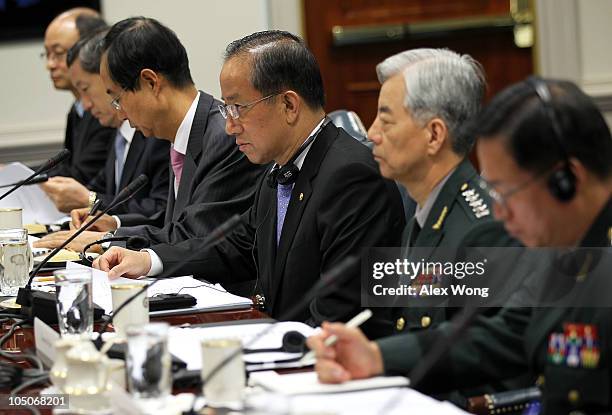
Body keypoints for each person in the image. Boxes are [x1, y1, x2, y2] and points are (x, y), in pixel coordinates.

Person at [307, 77, 612, 414]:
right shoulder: (564, 255)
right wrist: (376, 357)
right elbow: (499, 336)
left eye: (505, 192)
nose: (499, 211)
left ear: (568, 180)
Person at [94, 30, 406, 336]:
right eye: (225, 109)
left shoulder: (352, 178)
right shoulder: (281, 167)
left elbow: (343, 317)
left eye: (238, 108)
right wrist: (149, 260)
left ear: (288, 105)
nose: (230, 127)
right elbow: (238, 244)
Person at [36, 17, 265, 255]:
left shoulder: (224, 137)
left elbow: (195, 237)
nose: (121, 113)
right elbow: (174, 225)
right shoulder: (181, 133)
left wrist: (107, 240)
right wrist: (114, 225)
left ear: (150, 82)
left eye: (118, 98)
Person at [366, 49, 513, 334]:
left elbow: (478, 354)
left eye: (386, 121)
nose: (372, 133)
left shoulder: (479, 231)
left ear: (434, 135)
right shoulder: (423, 215)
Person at [37, 31, 170, 223]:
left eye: (85, 89)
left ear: (106, 79)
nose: (85, 104)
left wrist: (89, 200)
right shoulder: (118, 134)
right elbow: (101, 189)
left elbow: (161, 210)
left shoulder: (155, 132)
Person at [42, 8, 114, 185]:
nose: (50, 64)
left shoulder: (107, 110)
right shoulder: (78, 109)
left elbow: (82, 176)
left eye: (58, 53)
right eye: (47, 54)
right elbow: (66, 167)